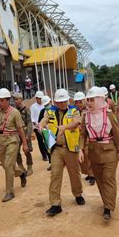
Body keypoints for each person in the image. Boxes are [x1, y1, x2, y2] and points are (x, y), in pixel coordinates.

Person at [79, 86, 119, 221]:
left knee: (108, 178)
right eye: (88, 100)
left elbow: (117, 134)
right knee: (99, 179)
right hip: (93, 152)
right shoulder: (86, 116)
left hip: (109, 151)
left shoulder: (109, 114)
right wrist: (80, 150)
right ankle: (106, 202)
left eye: (92, 100)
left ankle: (108, 207)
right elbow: (82, 134)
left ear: (100, 100)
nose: (89, 103)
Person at [39, 88, 84, 217]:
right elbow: (44, 120)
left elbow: (77, 122)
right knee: (55, 174)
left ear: (68, 100)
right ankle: (55, 203)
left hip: (70, 148)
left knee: (74, 173)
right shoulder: (50, 111)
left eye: (64, 101)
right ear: (55, 102)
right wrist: (41, 126)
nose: (62, 104)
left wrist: (65, 127)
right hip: (56, 149)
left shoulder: (74, 110)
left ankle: (78, 194)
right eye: (59, 102)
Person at [0, 88, 29, 202]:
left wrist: (25, 144)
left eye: (2, 100)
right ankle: (21, 173)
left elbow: (20, 129)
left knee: (8, 165)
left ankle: (9, 192)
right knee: (6, 165)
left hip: (13, 141)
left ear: (8, 100)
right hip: (2, 141)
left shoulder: (15, 112)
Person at [74, 92, 95, 186]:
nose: (78, 104)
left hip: (87, 137)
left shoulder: (89, 110)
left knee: (88, 155)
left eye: (80, 102)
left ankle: (92, 175)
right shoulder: (74, 111)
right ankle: (88, 172)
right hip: (77, 137)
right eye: (76, 102)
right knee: (81, 158)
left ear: (84, 101)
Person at [13, 92, 34, 176]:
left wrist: (28, 135)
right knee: (16, 151)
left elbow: (29, 123)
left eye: (17, 99)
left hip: (25, 131)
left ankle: (30, 167)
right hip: (16, 133)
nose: (15, 101)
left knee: (27, 150)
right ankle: (21, 167)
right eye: (14, 100)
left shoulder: (26, 110)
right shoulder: (14, 111)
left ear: (21, 100)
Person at [30, 91, 48, 161]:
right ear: (36, 98)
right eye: (39, 98)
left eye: (41, 98)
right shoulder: (33, 107)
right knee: (40, 141)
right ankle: (44, 155)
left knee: (46, 140)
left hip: (45, 126)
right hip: (37, 126)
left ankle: (47, 152)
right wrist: (36, 124)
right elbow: (32, 117)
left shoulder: (44, 105)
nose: (40, 100)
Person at [38, 95, 52, 170]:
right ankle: (51, 163)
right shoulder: (42, 111)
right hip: (46, 132)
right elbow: (40, 122)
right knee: (48, 149)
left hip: (54, 132)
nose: (47, 106)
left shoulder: (55, 110)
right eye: (45, 105)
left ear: (50, 102)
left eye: (47, 104)